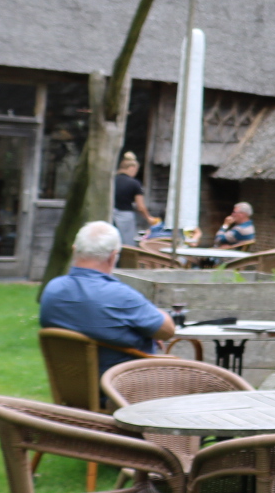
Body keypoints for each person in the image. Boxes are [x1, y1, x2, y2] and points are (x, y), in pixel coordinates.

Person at [39, 221, 176, 371]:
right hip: (124, 386)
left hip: (71, 385)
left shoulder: (52, 291)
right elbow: (167, 331)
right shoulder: (120, 296)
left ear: (74, 250)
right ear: (113, 256)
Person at [111, 153, 152, 246]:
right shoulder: (134, 183)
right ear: (132, 168)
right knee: (127, 243)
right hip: (125, 216)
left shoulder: (112, 180)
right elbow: (140, 207)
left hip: (110, 214)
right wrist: (148, 218)